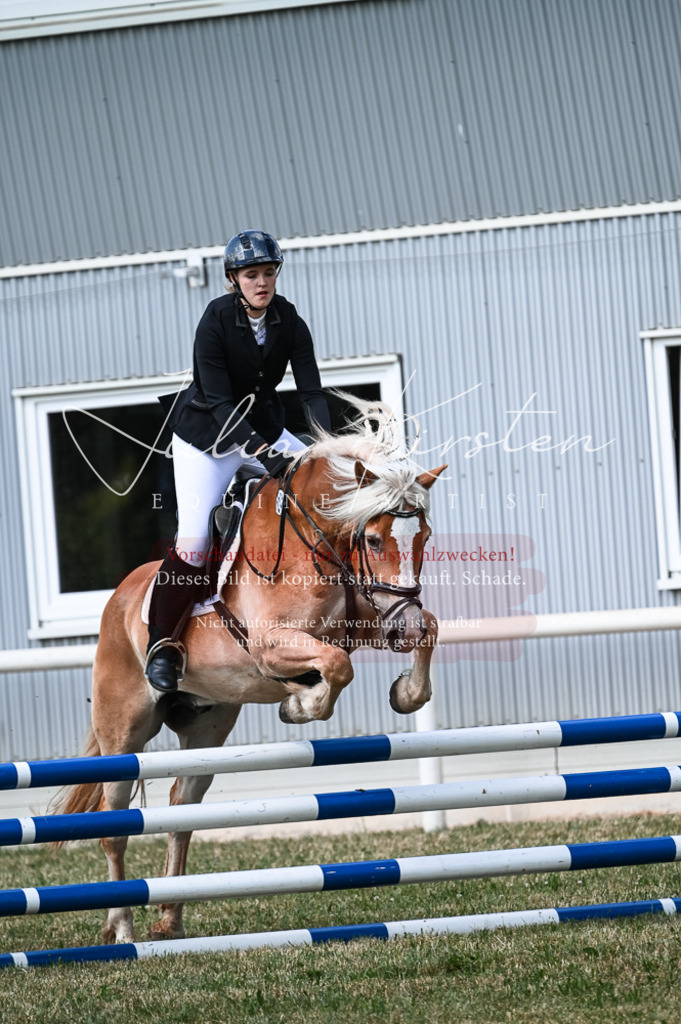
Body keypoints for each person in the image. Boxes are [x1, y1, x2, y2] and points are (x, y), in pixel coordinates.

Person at [146, 229, 331, 693]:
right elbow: (220, 402)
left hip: (264, 428)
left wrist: (324, 447)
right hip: (207, 437)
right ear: (234, 279)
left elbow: (310, 390)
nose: (262, 282)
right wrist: (263, 455)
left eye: (269, 272)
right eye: (252, 274)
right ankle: (162, 644)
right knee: (193, 542)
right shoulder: (214, 319)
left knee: (323, 487)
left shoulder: (289, 320)